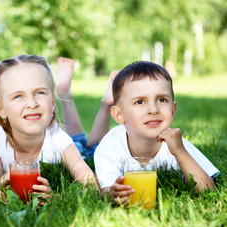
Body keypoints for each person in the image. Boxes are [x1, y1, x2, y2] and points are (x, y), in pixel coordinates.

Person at [0, 55, 99, 202]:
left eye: (40, 93)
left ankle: (74, 95)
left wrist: (57, 197)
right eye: (18, 96)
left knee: (85, 147)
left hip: (68, 145)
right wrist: (0, 188)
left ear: (52, 102)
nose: (32, 104)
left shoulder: (58, 139)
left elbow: (92, 187)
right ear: (0, 109)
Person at [94, 61, 220, 205]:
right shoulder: (111, 145)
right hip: (96, 147)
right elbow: (106, 189)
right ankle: (105, 102)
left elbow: (209, 192)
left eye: (162, 100)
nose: (153, 109)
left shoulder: (178, 145)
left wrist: (180, 153)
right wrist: (113, 193)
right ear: (119, 115)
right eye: (140, 102)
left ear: (173, 110)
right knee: (89, 145)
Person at [56, 57, 118, 158]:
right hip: (80, 153)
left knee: (79, 145)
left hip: (70, 151)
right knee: (93, 149)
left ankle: (65, 96)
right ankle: (106, 104)